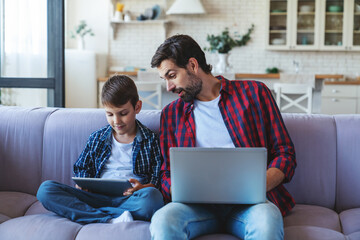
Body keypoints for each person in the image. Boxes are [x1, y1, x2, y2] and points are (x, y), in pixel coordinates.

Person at [149, 35, 297, 240]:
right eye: (164, 79)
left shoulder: (254, 93)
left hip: (250, 206)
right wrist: (179, 189)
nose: (169, 87)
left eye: (172, 75)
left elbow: (285, 153)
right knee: (163, 221)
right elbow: (165, 173)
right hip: (196, 208)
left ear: (192, 65)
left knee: (267, 222)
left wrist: (258, 185)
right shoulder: (172, 114)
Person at [37, 75, 164, 224]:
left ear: (137, 107)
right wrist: (83, 185)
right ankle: (112, 218)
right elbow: (82, 168)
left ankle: (93, 215)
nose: (116, 121)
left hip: (130, 199)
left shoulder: (151, 140)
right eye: (110, 114)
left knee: (152, 198)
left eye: (123, 113)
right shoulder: (97, 138)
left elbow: (157, 180)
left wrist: (142, 187)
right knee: (46, 190)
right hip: (95, 198)